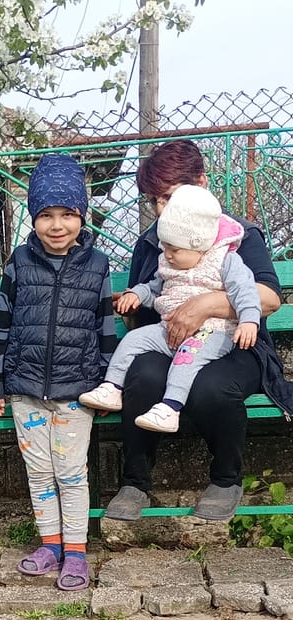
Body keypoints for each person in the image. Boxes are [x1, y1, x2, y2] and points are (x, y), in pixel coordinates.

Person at [102, 139, 289, 522]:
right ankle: (135, 483)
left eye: (169, 197)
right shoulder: (152, 241)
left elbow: (269, 297)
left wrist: (203, 305)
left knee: (211, 386)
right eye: (155, 200)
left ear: (201, 183)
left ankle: (225, 480)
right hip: (171, 344)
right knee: (143, 375)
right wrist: (133, 306)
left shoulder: (236, 235)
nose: (161, 210)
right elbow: (150, 297)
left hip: (236, 343)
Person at [0, 152, 116, 591]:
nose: (56, 225)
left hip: (76, 392)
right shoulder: (19, 262)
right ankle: (50, 544)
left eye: (67, 214)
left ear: (82, 216)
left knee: (71, 473)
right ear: (33, 218)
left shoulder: (97, 267)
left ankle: (76, 552)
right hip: (24, 390)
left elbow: (105, 329)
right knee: (38, 471)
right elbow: (1, 323)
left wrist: (107, 383)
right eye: (46, 215)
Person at [79, 184, 261, 434]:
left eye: (174, 249)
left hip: (212, 333)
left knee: (187, 358)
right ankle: (112, 387)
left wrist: (249, 320)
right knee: (133, 340)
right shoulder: (169, 260)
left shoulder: (225, 261)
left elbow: (246, 291)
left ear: (198, 244)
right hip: (168, 329)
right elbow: (153, 287)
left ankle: (170, 408)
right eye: (165, 247)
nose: (167, 254)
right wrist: (135, 294)